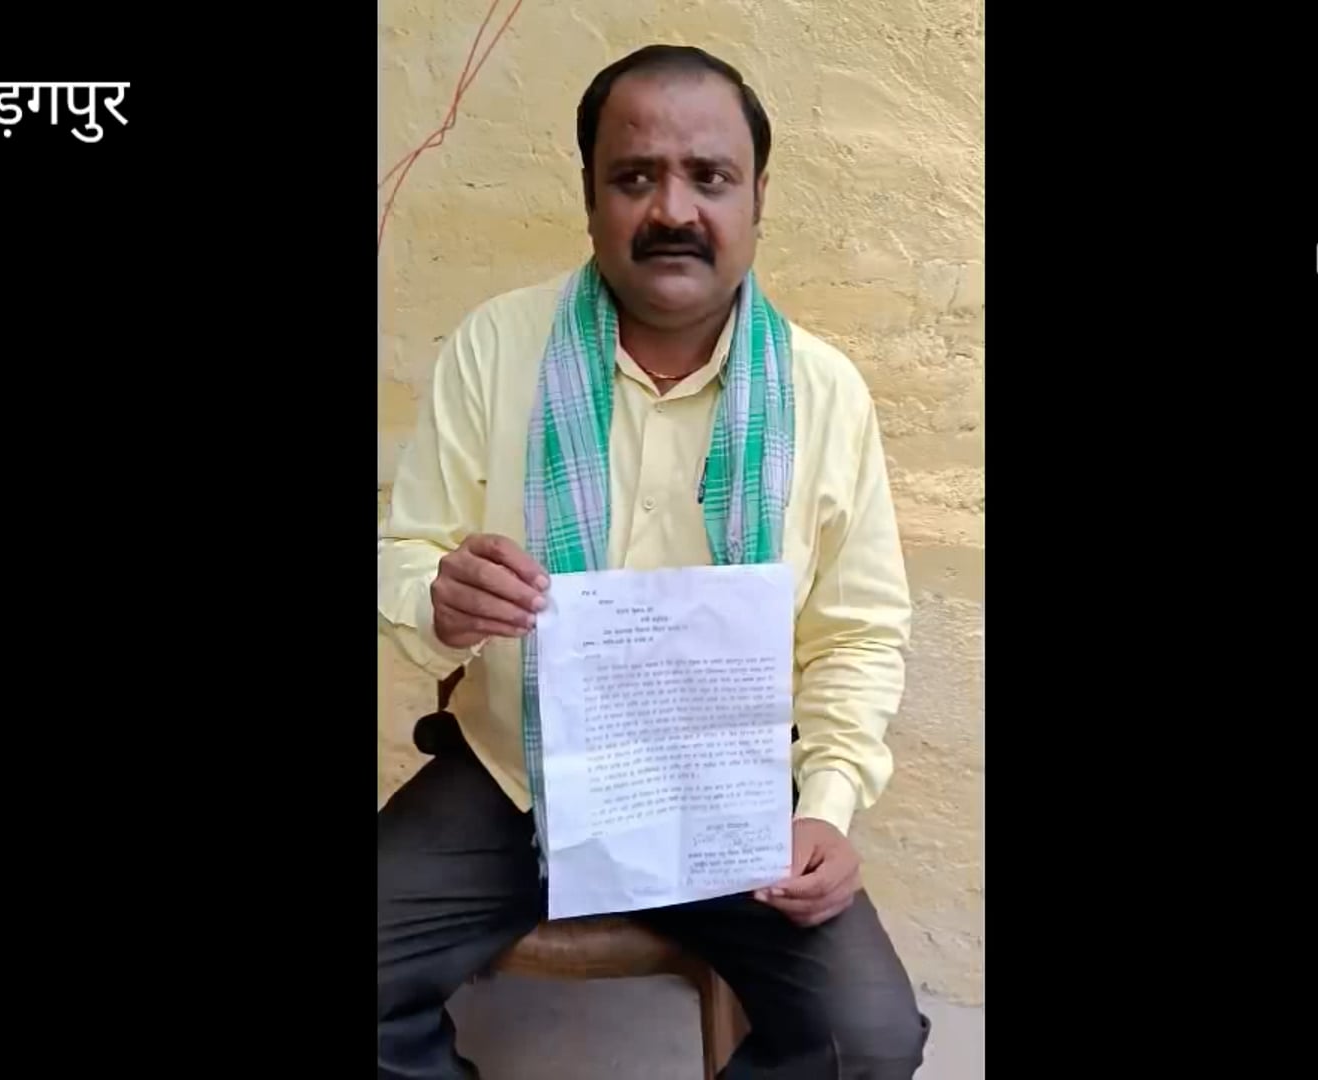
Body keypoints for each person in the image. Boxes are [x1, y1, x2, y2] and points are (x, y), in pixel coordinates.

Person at [378, 44, 929, 1079]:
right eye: (634, 177)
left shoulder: (824, 393)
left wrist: (825, 806)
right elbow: (406, 552)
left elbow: (858, 634)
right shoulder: (498, 348)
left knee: (867, 1041)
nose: (673, 209)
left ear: (758, 198)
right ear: (590, 199)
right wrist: (438, 598)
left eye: (709, 177)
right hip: (518, 771)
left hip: (732, 790)